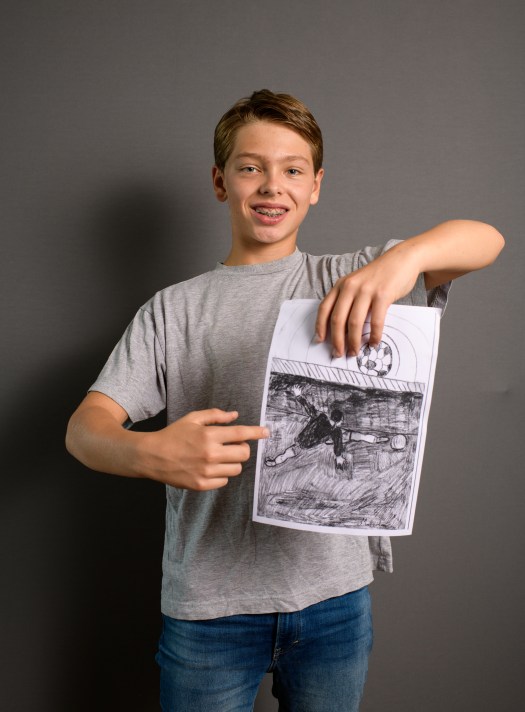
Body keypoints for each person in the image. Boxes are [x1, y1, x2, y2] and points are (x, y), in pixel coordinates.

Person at [65, 89, 504, 711]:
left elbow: (486, 239)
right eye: (251, 168)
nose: (273, 186)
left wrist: (403, 260)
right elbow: (84, 429)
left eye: (293, 169)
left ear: (316, 185)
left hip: (335, 604)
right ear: (221, 183)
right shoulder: (173, 309)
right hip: (209, 613)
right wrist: (150, 452)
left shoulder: (351, 280)